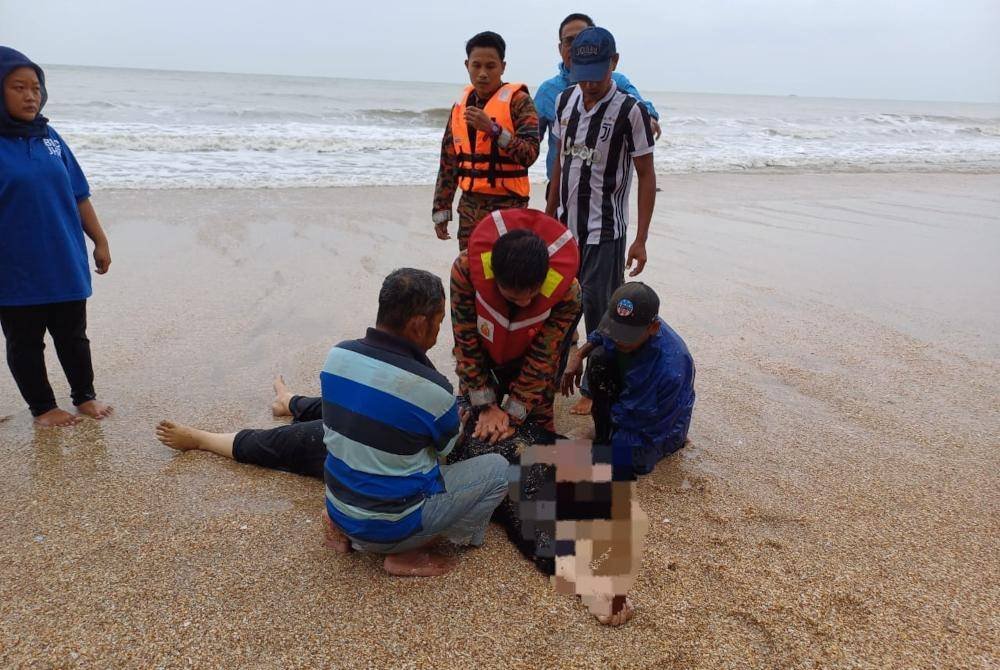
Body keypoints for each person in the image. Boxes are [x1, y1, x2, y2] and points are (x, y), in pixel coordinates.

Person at [155, 268, 509, 577]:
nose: (437, 333)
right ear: (419, 324)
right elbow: (444, 452)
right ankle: (408, 552)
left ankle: (341, 523)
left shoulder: (338, 355)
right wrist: (450, 414)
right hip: (389, 527)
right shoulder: (434, 390)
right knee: (497, 469)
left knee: (301, 444)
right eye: (437, 322)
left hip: (339, 508)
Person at [544, 27, 657, 417]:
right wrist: (549, 214)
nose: (588, 84)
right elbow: (560, 160)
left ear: (614, 63)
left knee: (601, 312)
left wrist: (640, 239)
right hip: (565, 230)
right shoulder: (564, 101)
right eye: (581, 72)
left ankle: (595, 387)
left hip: (606, 233)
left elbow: (646, 175)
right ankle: (555, 373)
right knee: (557, 305)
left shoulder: (631, 111)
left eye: (597, 73)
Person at [0, 46, 113, 427]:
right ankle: (43, 408)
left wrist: (100, 240)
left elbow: (78, 193)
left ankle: (84, 396)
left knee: (74, 336)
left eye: (36, 87)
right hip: (14, 269)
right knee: (25, 341)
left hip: (64, 259)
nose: (31, 95)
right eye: (18, 87)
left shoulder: (50, 137)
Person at [450, 208, 581, 441]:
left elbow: (543, 358)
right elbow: (466, 343)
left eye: (533, 296)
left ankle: (585, 465)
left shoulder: (567, 293)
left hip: (532, 361)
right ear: (494, 276)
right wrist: (486, 406)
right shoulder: (466, 272)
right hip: (483, 352)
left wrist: (511, 416)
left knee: (536, 431)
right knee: (471, 427)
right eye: (513, 298)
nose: (525, 303)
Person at [561, 283, 695, 475]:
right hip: (630, 400)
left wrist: (608, 430)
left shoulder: (671, 368)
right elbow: (601, 334)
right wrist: (578, 355)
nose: (617, 339)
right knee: (599, 357)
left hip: (654, 423)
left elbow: (641, 416)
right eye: (615, 330)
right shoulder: (626, 322)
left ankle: (613, 436)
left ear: (654, 327)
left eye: (626, 336)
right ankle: (605, 434)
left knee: (624, 459)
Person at [432, 31, 540, 250]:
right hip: (470, 209)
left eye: (490, 66)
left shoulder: (520, 102)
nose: (482, 73)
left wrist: (493, 130)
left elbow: (530, 153)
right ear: (467, 65)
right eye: (476, 65)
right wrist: (441, 209)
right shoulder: (460, 107)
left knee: (508, 277)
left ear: (503, 66)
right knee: (470, 271)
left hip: (509, 209)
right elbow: (448, 162)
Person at [535, 13, 661, 190]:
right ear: (560, 47)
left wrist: (650, 118)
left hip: (602, 193)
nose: (576, 47)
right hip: (559, 188)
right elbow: (532, 140)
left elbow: (642, 106)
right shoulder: (547, 92)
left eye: (582, 38)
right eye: (569, 41)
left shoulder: (616, 81)